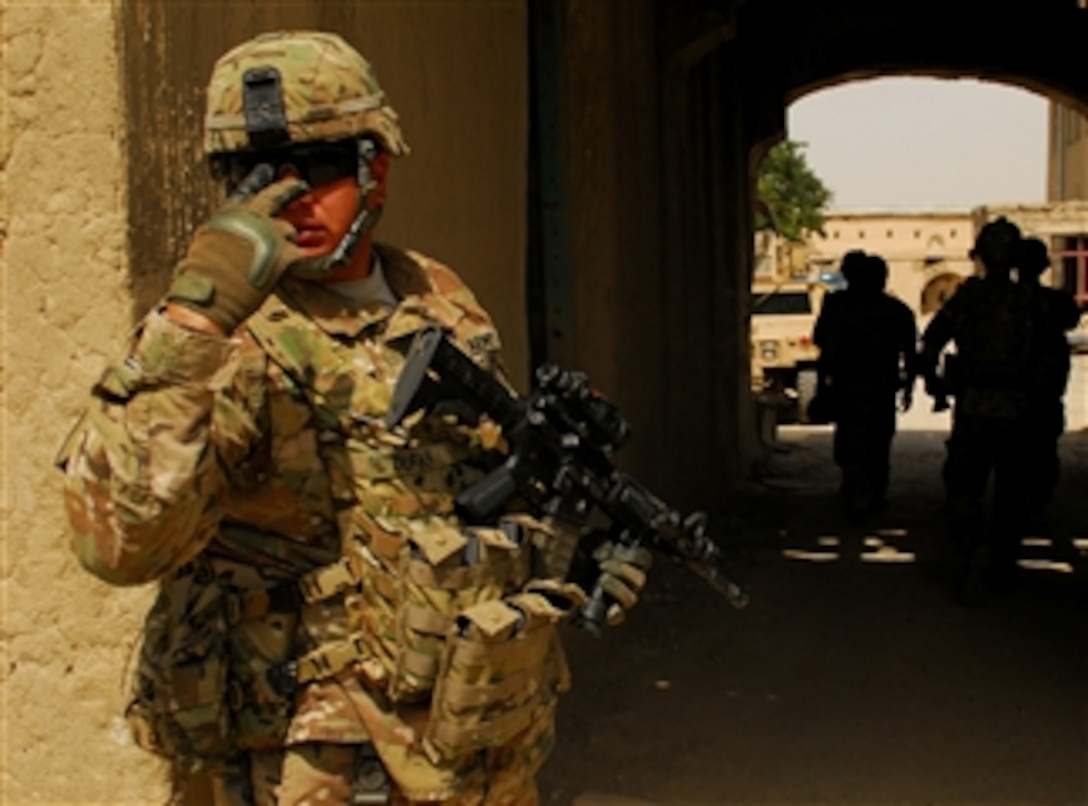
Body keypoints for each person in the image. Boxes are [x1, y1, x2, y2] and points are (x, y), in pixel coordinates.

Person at [56, 30, 650, 805]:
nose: (290, 196)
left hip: (464, 751)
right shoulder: (226, 340)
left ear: (381, 165)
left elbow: (462, 495)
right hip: (305, 769)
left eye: (326, 166)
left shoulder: (434, 294)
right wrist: (195, 323)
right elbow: (117, 545)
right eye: (254, 175)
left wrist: (564, 550)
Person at [918, 216, 1034, 604]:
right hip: (1019, 409)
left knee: (966, 486)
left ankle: (971, 554)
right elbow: (1051, 359)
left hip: (975, 406)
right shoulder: (1031, 300)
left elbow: (931, 342)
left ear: (980, 256)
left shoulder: (969, 298)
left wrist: (933, 382)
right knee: (1012, 490)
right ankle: (1001, 562)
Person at [811, 251, 917, 520]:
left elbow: (825, 348)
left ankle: (859, 492)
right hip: (879, 387)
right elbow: (911, 354)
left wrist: (822, 387)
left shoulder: (840, 308)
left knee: (853, 443)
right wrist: (909, 388)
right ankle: (872, 493)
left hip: (851, 387)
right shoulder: (896, 310)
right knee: (878, 443)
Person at [1015, 236, 1082, 520]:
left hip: (1009, 390)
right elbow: (1071, 319)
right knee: (1043, 449)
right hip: (1044, 390)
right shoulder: (1056, 302)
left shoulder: (992, 299)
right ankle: (1035, 503)